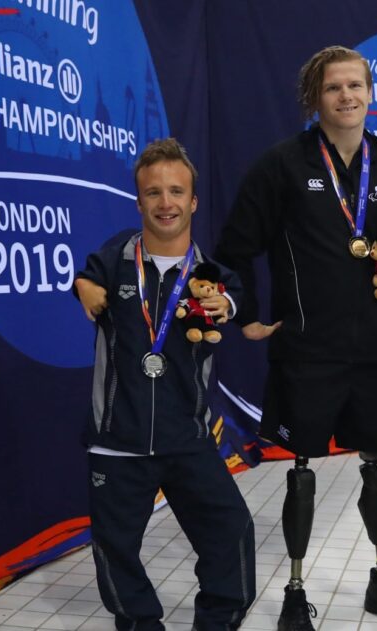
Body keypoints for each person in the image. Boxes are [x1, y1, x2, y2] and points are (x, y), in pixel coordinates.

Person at [213, 45, 377, 630]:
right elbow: (236, 244)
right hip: (306, 350)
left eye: (356, 86)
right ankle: (294, 590)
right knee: (302, 468)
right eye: (334, 88)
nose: (347, 97)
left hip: (373, 350)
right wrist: (248, 316)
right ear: (315, 98)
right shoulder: (282, 165)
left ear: (370, 93)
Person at [73, 138, 256, 631]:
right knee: (115, 550)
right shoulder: (113, 260)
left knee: (232, 534)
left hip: (187, 439)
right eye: (153, 193)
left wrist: (227, 307)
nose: (166, 203)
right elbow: (83, 278)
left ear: (193, 201)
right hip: (118, 441)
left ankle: (216, 623)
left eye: (176, 191)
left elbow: (235, 301)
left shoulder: (212, 277)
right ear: (139, 202)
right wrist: (83, 288)